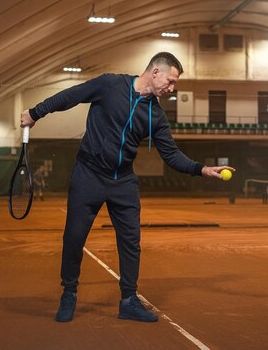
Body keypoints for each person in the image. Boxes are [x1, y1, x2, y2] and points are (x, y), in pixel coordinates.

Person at [20, 52, 234, 323]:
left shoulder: (156, 116)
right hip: (88, 175)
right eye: (170, 81)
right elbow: (70, 96)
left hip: (123, 181)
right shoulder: (110, 85)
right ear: (155, 72)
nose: (172, 88)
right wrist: (35, 113)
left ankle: (129, 301)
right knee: (74, 237)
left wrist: (201, 169)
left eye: (174, 83)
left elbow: (171, 155)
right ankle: (69, 294)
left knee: (131, 243)